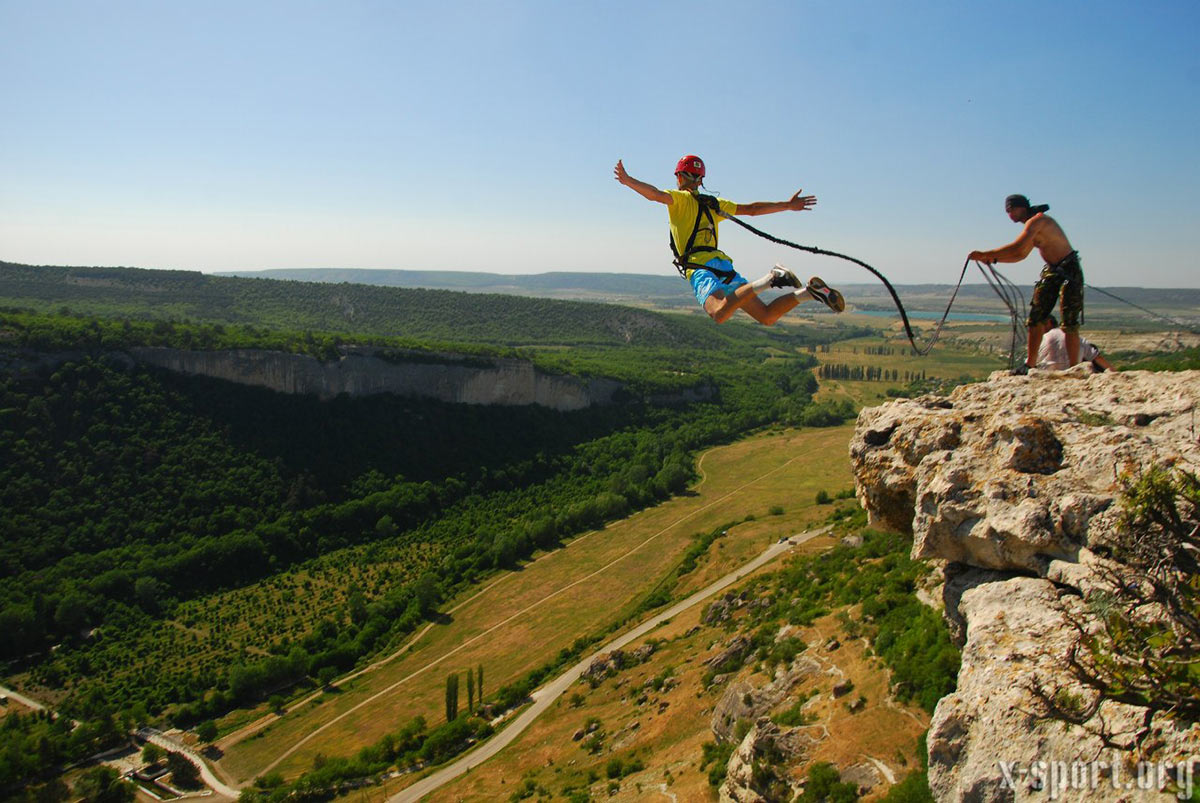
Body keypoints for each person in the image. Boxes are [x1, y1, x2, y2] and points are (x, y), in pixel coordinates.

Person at [614, 155, 844, 325]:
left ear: (680, 177)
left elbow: (655, 195)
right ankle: (809, 293)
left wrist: (628, 181)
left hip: (699, 267)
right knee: (766, 316)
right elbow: (752, 210)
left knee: (719, 313)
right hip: (722, 265)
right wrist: (788, 205)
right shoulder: (714, 204)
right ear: (700, 180)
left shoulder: (680, 199)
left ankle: (771, 278)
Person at [968, 194, 1084, 373]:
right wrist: (993, 259)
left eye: (1011, 209)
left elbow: (1017, 248)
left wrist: (986, 254)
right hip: (1053, 270)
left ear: (1022, 207)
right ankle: (1030, 364)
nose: (1010, 214)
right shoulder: (1032, 224)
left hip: (1069, 269)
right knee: (1035, 317)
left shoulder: (1038, 221)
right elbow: (1020, 255)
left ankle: (1074, 367)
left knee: (1069, 321)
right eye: (1007, 211)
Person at [1037, 316, 1112, 372]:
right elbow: (1097, 358)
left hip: (1048, 373)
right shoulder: (1077, 339)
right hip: (1074, 372)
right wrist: (1114, 373)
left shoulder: (1043, 339)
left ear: (1048, 323)